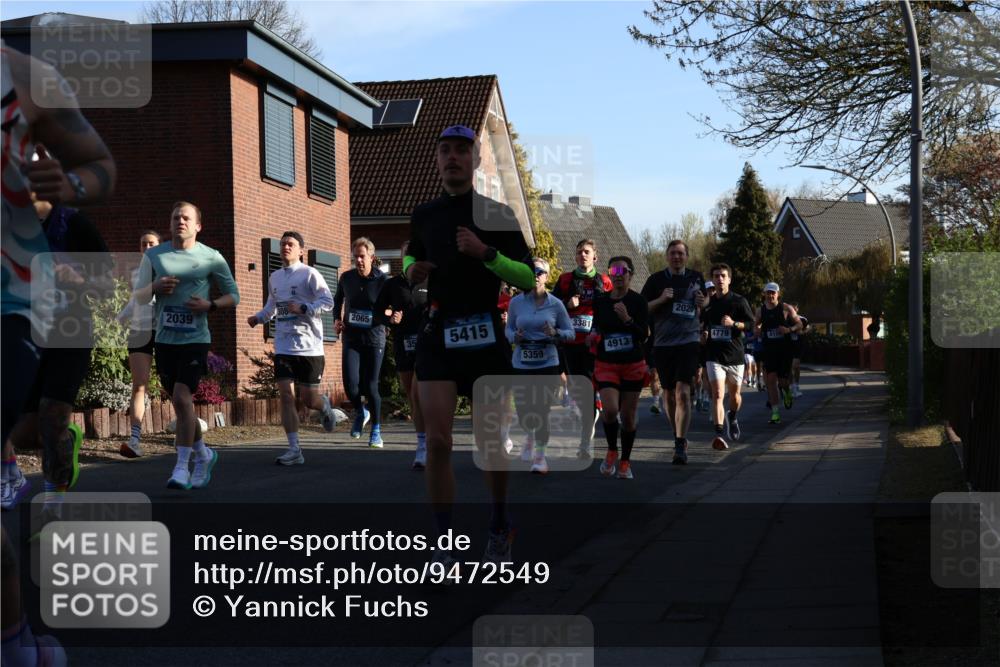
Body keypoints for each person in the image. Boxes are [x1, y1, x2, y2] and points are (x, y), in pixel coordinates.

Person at [2, 41, 116, 667]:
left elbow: (106, 280)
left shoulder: (74, 221)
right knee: (21, 424)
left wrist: (75, 281)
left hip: (68, 327)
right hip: (20, 324)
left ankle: (58, 499)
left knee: (50, 415)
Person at [405, 124, 535, 563]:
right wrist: (411, 269)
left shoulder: (498, 214)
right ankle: (443, 544)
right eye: (445, 150)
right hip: (439, 332)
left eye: (462, 149)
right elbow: (410, 252)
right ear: (437, 160)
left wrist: (486, 254)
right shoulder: (423, 213)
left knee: (491, 442)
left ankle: (499, 523)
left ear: (476, 159)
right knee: (438, 442)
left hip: (483, 333)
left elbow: (528, 277)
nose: (453, 157)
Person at [134, 201, 240, 489]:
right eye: (175, 217)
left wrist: (210, 305)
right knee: (182, 407)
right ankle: (204, 453)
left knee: (182, 398)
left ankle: (181, 467)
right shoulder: (154, 255)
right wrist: (154, 288)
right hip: (165, 341)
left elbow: (234, 295)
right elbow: (139, 297)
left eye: (186, 218)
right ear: (170, 224)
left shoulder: (211, 257)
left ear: (197, 226)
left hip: (196, 339)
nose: (180, 221)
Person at [248, 231, 337, 465]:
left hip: (309, 347)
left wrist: (306, 308)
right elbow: (272, 307)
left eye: (291, 244)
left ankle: (324, 406)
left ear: (301, 251)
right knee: (286, 396)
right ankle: (294, 449)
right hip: (284, 345)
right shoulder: (275, 277)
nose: (286, 247)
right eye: (283, 244)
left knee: (309, 400)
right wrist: (258, 318)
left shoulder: (310, 274)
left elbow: (328, 301)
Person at [640, 239, 707, 465]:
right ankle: (676, 434)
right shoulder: (656, 280)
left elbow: (704, 302)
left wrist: (702, 301)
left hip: (688, 341)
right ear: (667, 256)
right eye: (672, 253)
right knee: (668, 394)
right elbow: (642, 308)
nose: (676, 257)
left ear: (686, 256)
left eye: (680, 253)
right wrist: (661, 299)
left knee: (682, 392)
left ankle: (680, 441)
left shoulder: (696, 277)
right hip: (663, 344)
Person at [506, 258, 574, 475]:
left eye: (540, 272)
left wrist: (556, 334)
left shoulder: (556, 304)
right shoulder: (515, 303)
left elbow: (570, 333)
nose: (535, 275)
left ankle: (540, 456)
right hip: (522, 362)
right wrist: (513, 336)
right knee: (525, 411)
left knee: (542, 410)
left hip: (547, 362)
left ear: (547, 276)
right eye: (532, 271)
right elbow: (507, 331)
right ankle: (530, 435)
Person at [589, 257, 649, 480]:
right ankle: (612, 449)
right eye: (613, 270)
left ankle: (625, 461)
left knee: (629, 416)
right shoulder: (601, 301)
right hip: (607, 363)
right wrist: (593, 337)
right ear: (609, 274)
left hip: (633, 364)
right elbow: (598, 327)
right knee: (611, 410)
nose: (617, 274)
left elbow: (644, 334)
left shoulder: (638, 302)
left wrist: (627, 319)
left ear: (630, 275)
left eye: (622, 270)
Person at [552, 240, 611, 458]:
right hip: (570, 344)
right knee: (579, 393)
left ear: (595, 256)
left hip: (594, 345)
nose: (583, 255)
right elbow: (551, 307)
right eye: (579, 252)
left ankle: (585, 442)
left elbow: (612, 309)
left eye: (587, 252)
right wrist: (567, 306)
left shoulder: (604, 281)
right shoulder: (565, 280)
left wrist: (600, 330)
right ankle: (592, 410)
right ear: (575, 257)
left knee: (587, 392)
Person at [376, 241, 429, 468]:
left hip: (429, 344)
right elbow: (377, 311)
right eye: (407, 254)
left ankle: (428, 445)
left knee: (420, 393)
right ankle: (422, 442)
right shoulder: (393, 285)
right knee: (412, 396)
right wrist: (389, 319)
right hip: (403, 344)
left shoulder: (430, 281)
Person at [333, 237, 388, 447]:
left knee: (371, 386)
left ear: (371, 258)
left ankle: (376, 430)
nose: (358, 260)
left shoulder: (383, 281)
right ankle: (360, 412)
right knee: (351, 385)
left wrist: (390, 313)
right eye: (355, 256)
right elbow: (338, 299)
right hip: (352, 338)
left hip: (374, 339)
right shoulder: (347, 278)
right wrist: (337, 320)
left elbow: (392, 305)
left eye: (362, 256)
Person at [701, 264, 755, 450]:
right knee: (717, 394)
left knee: (735, 396)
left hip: (734, 355)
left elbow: (751, 325)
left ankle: (732, 415)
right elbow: (702, 324)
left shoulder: (739, 301)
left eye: (723, 276)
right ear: (713, 279)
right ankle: (718, 434)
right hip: (714, 355)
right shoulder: (707, 304)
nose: (719, 279)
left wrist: (734, 323)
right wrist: (704, 334)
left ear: (729, 279)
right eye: (716, 276)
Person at [117, 230, 161, 458]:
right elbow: (135, 301)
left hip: (163, 331)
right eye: (144, 244)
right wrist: (119, 318)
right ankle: (135, 439)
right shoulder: (136, 272)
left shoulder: (168, 268)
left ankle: (187, 435)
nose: (147, 247)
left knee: (174, 387)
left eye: (151, 243)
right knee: (139, 386)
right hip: (139, 330)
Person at [755, 283, 802, 425]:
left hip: (784, 350)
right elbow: (755, 324)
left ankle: (787, 391)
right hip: (769, 349)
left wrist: (789, 329)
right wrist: (757, 329)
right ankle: (775, 413)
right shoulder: (760, 310)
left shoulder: (786, 309)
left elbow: (800, 324)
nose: (770, 295)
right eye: (768, 293)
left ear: (778, 294)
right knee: (770, 381)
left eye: (773, 293)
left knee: (782, 382)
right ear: (764, 294)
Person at [790, 309, 810, 398]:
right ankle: (792, 387)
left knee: (796, 366)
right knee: (790, 367)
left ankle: (796, 385)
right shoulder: (786, 319)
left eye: (794, 309)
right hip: (789, 346)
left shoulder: (802, 319)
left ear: (797, 309)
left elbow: (809, 328)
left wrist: (802, 332)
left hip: (799, 346)